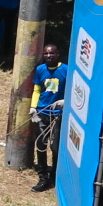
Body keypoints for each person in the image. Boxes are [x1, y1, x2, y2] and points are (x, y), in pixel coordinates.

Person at [29, 43, 69, 190]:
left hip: (58, 114)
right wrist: (33, 107)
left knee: (55, 146)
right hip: (42, 112)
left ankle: (54, 176)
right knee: (40, 145)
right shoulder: (40, 70)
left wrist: (66, 101)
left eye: (51, 53)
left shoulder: (65, 70)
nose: (48, 56)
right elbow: (37, 89)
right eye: (46, 54)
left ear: (57, 54)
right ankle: (43, 177)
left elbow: (73, 88)